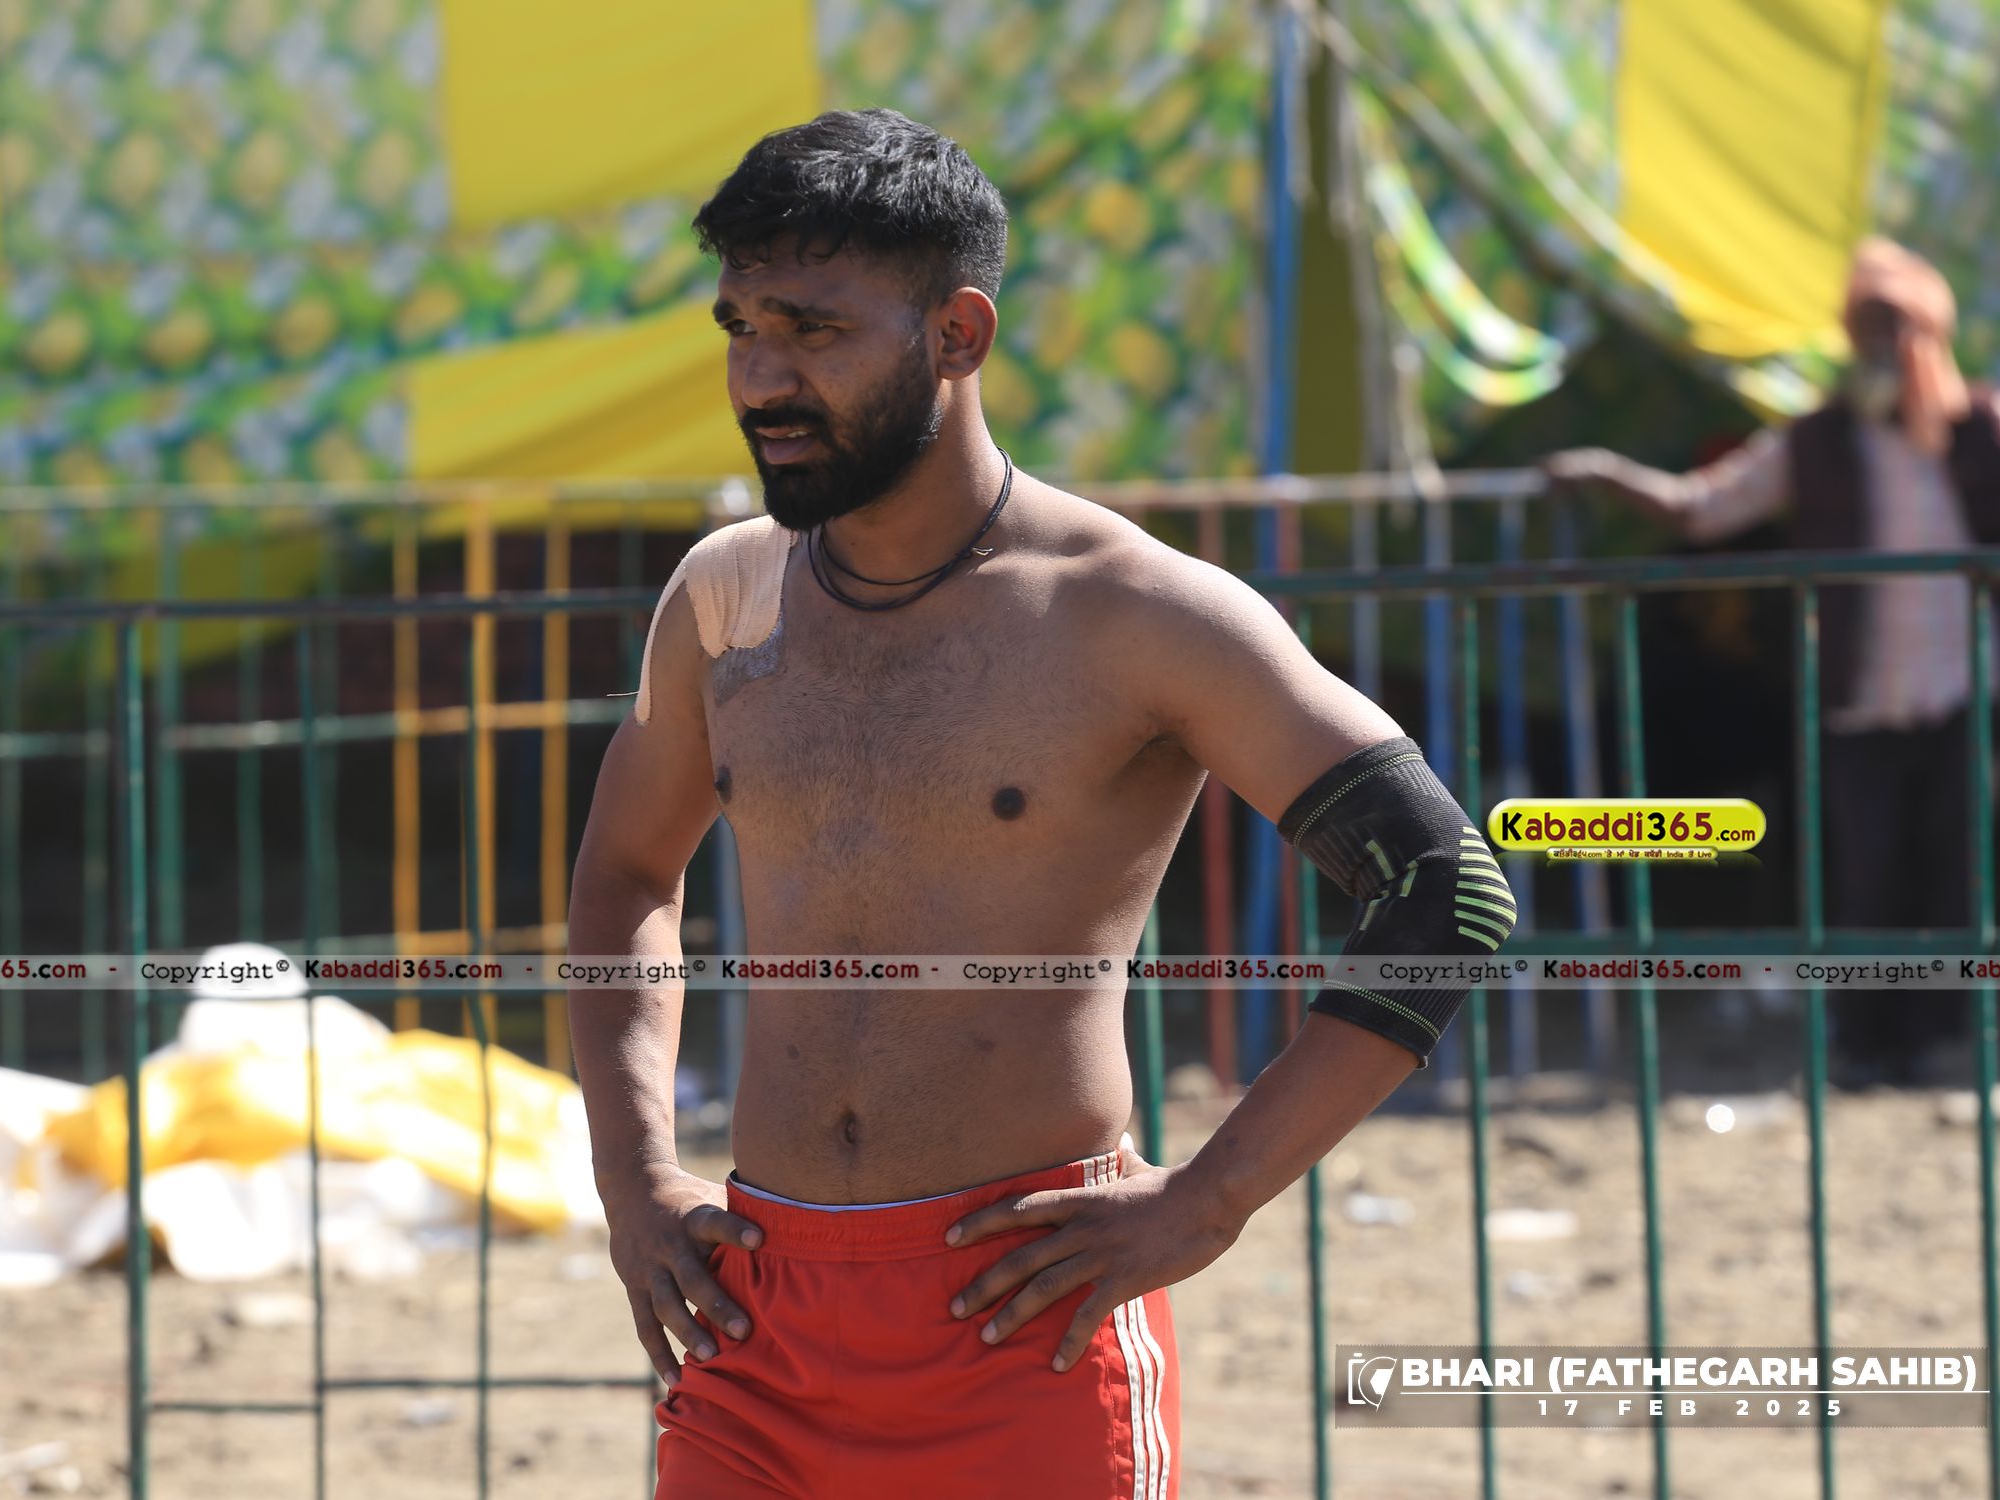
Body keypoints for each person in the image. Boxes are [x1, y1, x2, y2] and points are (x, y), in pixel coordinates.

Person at [566, 109, 1514, 1499]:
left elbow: (1443, 888)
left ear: (957, 333)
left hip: (1025, 1320)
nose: (761, 378)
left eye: (813, 331)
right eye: (739, 328)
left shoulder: (1135, 611)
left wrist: (1212, 1199)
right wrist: (635, 1175)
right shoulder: (723, 596)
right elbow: (624, 875)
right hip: (753, 1324)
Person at [1544, 238, 2000, 1087]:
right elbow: (1704, 509)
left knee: (1953, 871)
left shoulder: (1987, 427)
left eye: (1896, 330)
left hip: (1965, 688)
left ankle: (1932, 1041)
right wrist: (1606, 474)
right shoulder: (1816, 442)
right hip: (1859, 694)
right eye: (1867, 331)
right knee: (1864, 873)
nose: (1881, 350)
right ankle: (1862, 1042)